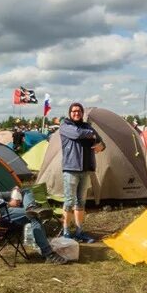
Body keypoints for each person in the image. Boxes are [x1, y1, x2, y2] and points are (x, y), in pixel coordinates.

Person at [0, 148, 63, 263]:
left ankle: (31, 208)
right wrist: (9, 203)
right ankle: (48, 253)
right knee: (35, 217)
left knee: (26, 191)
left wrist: (13, 193)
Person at [59, 102, 105, 243]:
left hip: (85, 169)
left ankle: (79, 231)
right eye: (74, 111)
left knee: (81, 202)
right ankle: (66, 231)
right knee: (69, 201)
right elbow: (77, 134)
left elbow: (102, 142)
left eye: (79, 111)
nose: (76, 113)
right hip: (71, 169)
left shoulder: (87, 126)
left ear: (82, 113)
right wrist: (91, 134)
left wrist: (100, 146)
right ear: (70, 113)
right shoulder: (65, 126)